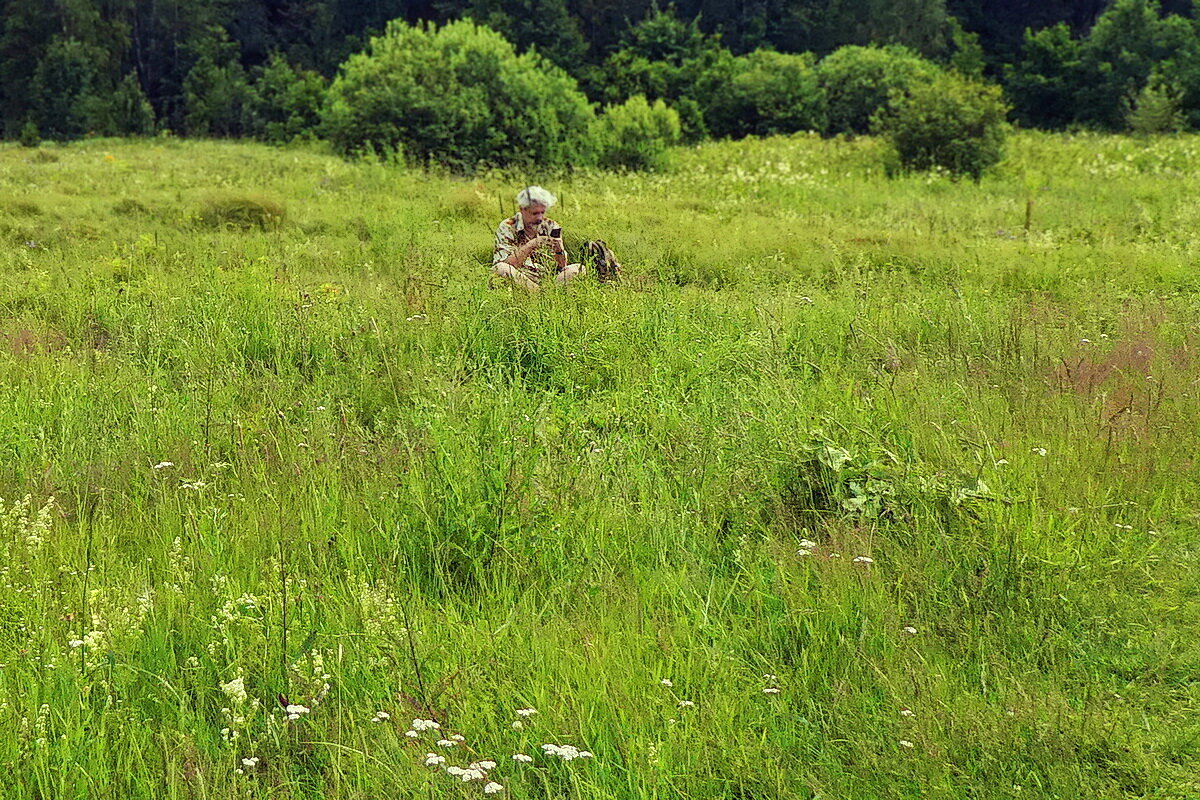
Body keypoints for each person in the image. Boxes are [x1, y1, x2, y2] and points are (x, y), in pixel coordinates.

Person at [492, 186, 584, 290]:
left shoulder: (551, 225)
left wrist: (559, 250)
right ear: (522, 209)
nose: (539, 218)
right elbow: (507, 264)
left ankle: (546, 294)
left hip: (549, 279)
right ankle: (542, 296)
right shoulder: (508, 226)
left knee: (579, 269)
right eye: (535, 213)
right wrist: (533, 244)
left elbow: (562, 267)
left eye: (542, 212)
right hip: (521, 278)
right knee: (500, 269)